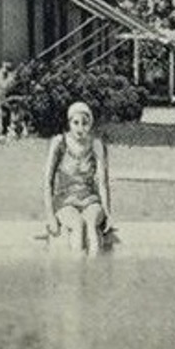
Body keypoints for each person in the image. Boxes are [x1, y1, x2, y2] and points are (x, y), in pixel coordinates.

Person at [43, 101, 113, 255]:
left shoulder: (96, 144)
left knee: (91, 227)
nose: (80, 128)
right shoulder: (59, 143)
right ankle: (77, 269)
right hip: (65, 201)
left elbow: (102, 182)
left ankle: (94, 268)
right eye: (76, 123)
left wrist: (107, 213)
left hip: (90, 200)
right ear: (69, 123)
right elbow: (47, 182)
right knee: (78, 225)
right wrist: (50, 216)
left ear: (90, 124)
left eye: (85, 123)